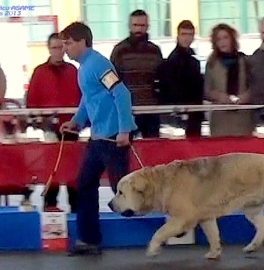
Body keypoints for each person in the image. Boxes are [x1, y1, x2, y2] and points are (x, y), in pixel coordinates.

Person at [59, 22, 138, 255]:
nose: (65, 49)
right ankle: (89, 239)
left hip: (113, 136)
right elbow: (89, 99)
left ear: (82, 42)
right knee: (85, 184)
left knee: (122, 188)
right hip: (98, 137)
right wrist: (76, 122)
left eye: (68, 43)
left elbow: (121, 93)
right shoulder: (84, 68)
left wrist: (124, 130)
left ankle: (170, 218)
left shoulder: (98, 64)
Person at [26, 32, 81, 213]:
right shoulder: (39, 72)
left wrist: (80, 123)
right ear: (49, 49)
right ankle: (50, 214)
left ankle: (75, 216)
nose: (58, 51)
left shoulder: (74, 71)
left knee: (73, 177)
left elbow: (83, 99)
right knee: (52, 176)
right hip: (49, 133)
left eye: (61, 47)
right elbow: (31, 104)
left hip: (72, 131)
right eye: (55, 47)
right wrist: (42, 125)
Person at [110, 10, 163, 138]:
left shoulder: (155, 51)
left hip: (151, 111)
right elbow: (111, 80)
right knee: (126, 150)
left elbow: (161, 79)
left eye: (142, 25)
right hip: (127, 110)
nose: (139, 29)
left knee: (153, 150)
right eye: (135, 25)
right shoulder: (119, 51)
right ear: (129, 26)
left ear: (147, 26)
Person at [204, 23, 253, 137]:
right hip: (220, 120)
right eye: (218, 39)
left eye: (225, 38)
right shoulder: (211, 64)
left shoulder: (244, 61)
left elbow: (255, 87)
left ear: (232, 39)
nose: (222, 42)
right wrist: (219, 96)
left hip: (242, 119)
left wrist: (246, 96)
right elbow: (207, 90)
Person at [157, 20, 204, 137]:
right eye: (184, 34)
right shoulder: (171, 63)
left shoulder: (194, 61)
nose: (187, 38)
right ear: (177, 36)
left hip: (193, 113)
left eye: (190, 34)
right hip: (178, 114)